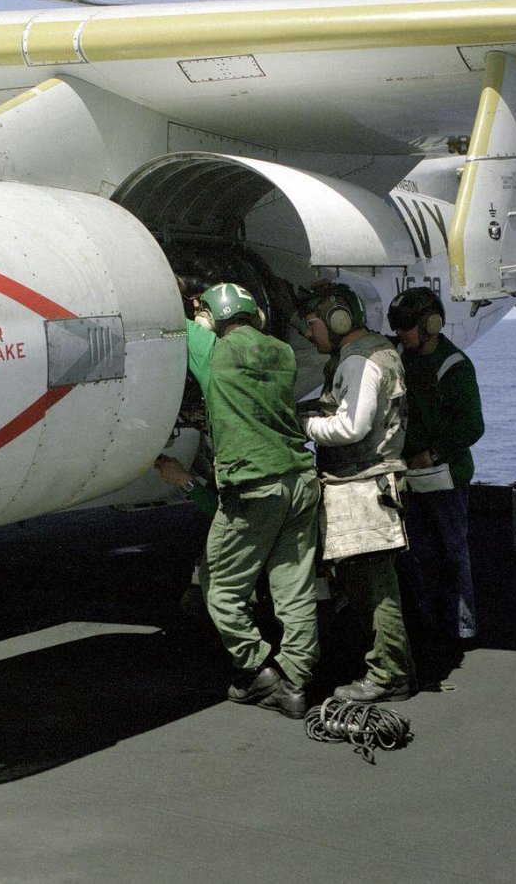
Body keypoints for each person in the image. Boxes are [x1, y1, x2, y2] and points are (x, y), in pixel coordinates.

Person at [185, 282, 320, 719]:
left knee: (221, 589)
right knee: (294, 588)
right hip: (299, 480)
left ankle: (258, 668)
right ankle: (296, 683)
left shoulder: (214, 351)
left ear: (214, 318)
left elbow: (180, 326)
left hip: (253, 486)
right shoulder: (283, 352)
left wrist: (195, 315)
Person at [300, 283, 415, 703]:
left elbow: (352, 427)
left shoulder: (359, 361)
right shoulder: (380, 349)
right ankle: (383, 666)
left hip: (362, 486)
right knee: (369, 585)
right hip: (372, 483)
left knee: (374, 588)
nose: (308, 334)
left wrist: (304, 427)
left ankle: (389, 675)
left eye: (312, 325)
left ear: (337, 320)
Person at [387, 286, 484, 680]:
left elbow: (473, 426)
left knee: (451, 555)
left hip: (444, 478)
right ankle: (428, 627)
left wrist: (434, 453)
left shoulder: (454, 367)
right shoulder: (402, 359)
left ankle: (460, 629)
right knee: (417, 555)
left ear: (431, 324)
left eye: (407, 327)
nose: (401, 335)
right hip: (412, 477)